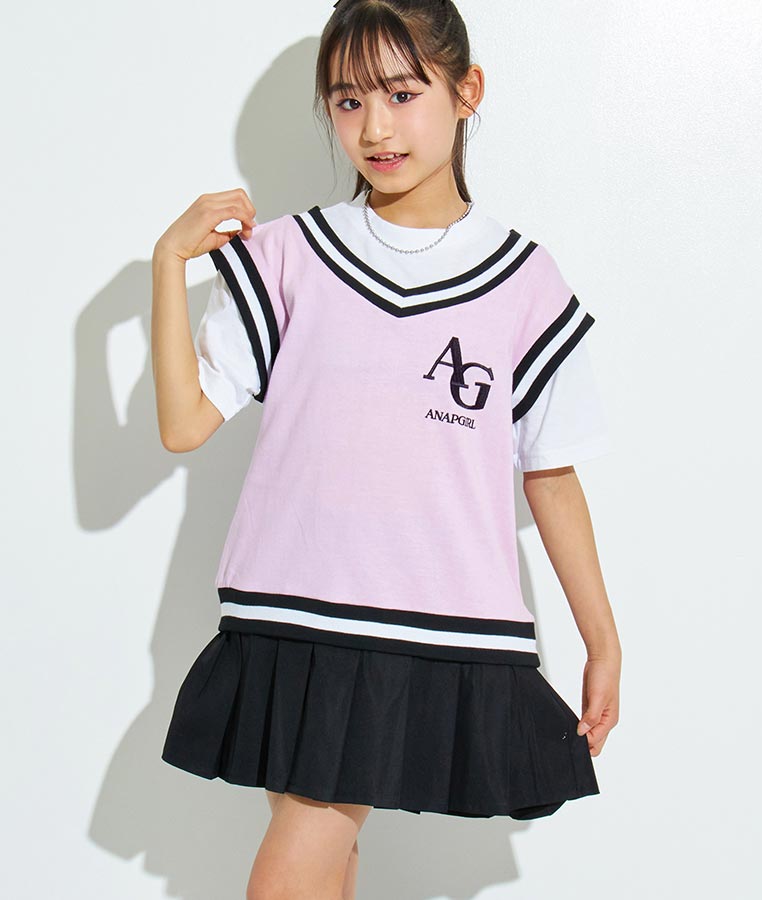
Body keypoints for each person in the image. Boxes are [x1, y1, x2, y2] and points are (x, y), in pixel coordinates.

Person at [151, 1, 622, 897]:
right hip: (293, 615)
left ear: (466, 91)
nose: (374, 128)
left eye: (402, 95)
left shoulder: (524, 283)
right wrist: (166, 264)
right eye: (347, 101)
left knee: (303, 858)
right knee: (322, 861)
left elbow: (551, 475)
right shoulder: (290, 256)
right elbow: (184, 425)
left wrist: (602, 640)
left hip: (427, 623)